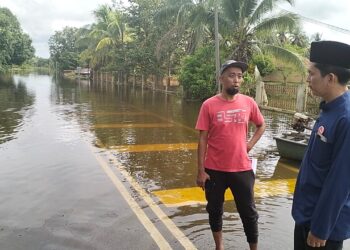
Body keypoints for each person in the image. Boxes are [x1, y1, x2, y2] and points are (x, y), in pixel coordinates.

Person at [195, 60, 266, 250]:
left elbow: (261, 124)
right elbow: (202, 139)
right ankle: (219, 246)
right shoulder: (209, 105)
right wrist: (201, 171)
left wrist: (249, 145)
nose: (236, 80)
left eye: (240, 76)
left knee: (249, 212)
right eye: (232, 75)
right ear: (222, 78)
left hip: (242, 168)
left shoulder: (248, 102)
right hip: (214, 169)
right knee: (215, 210)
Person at [292, 41, 350, 250]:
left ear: (330, 78)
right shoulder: (328, 108)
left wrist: (321, 228)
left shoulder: (346, 118)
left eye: (311, 73)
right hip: (307, 213)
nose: (307, 79)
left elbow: (340, 182)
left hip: (323, 228)